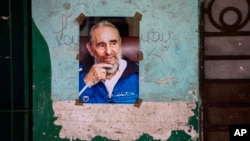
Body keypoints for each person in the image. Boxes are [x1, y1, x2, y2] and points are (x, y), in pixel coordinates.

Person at [79, 20, 139, 104]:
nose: (108, 52)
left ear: (120, 44)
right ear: (91, 49)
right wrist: (86, 84)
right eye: (101, 45)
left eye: (113, 43)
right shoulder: (76, 76)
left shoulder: (141, 74)